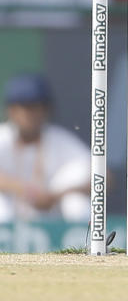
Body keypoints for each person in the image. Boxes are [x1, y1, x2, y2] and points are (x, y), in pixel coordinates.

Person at [0, 75, 90, 223]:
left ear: (47, 109)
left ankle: (83, 244)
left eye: (36, 106)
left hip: (52, 218)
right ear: (12, 110)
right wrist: (26, 190)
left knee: (75, 201)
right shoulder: (3, 136)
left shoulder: (59, 139)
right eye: (25, 107)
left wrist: (55, 195)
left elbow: (105, 177)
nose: (30, 114)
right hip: (10, 219)